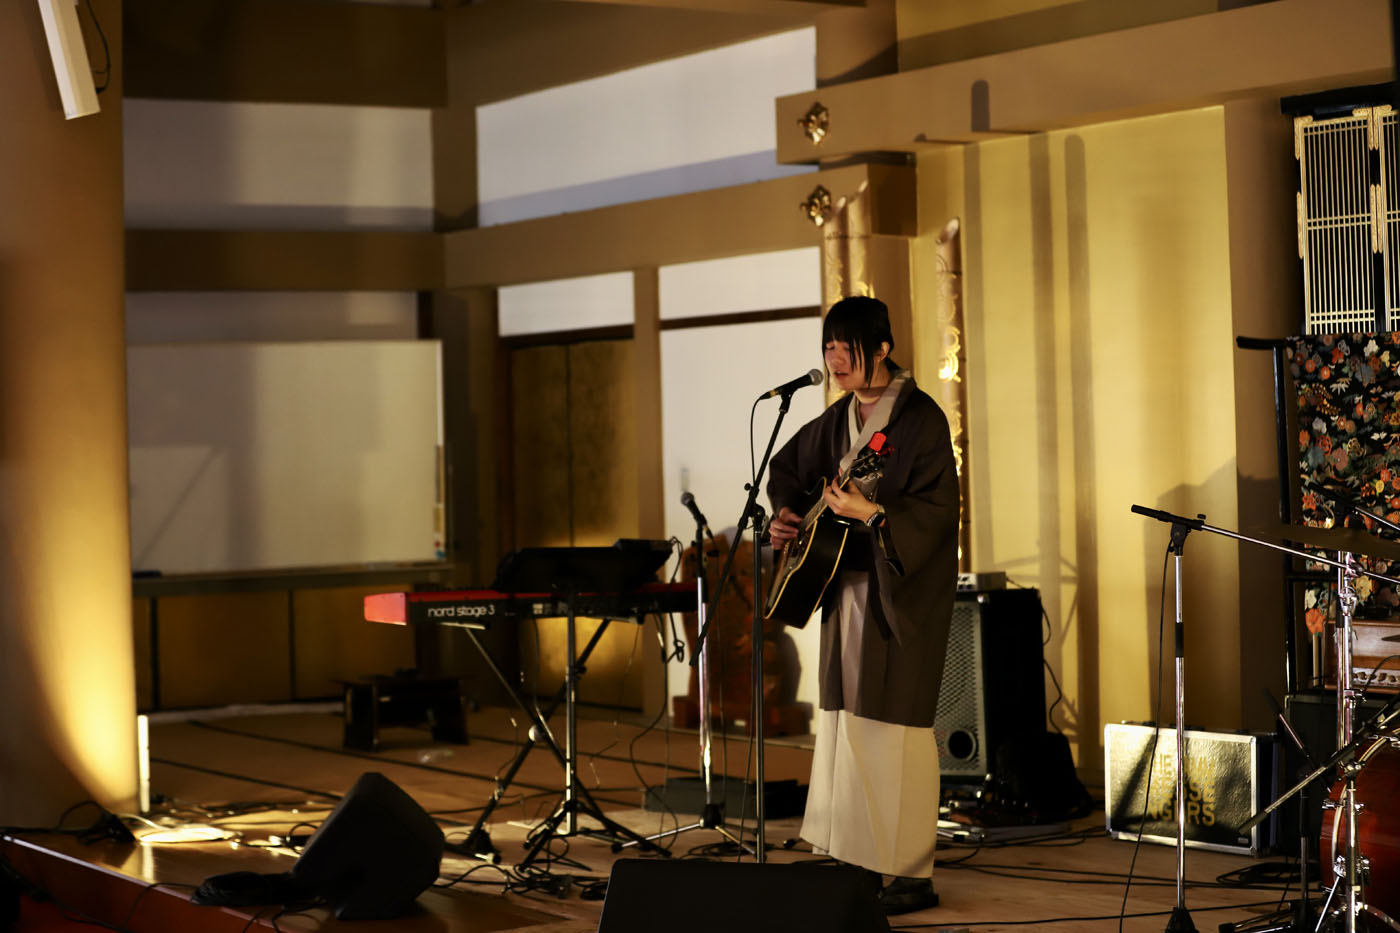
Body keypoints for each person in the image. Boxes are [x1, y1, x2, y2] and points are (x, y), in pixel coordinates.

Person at [766, 295, 959, 916]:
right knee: (846, 727)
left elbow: (937, 511)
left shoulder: (921, 420)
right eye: (828, 346)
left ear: (881, 348)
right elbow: (788, 468)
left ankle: (909, 873)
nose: (834, 358)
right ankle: (855, 857)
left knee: (895, 732)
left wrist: (873, 512)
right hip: (842, 591)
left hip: (898, 598)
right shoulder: (836, 419)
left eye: (846, 346)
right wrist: (785, 515)